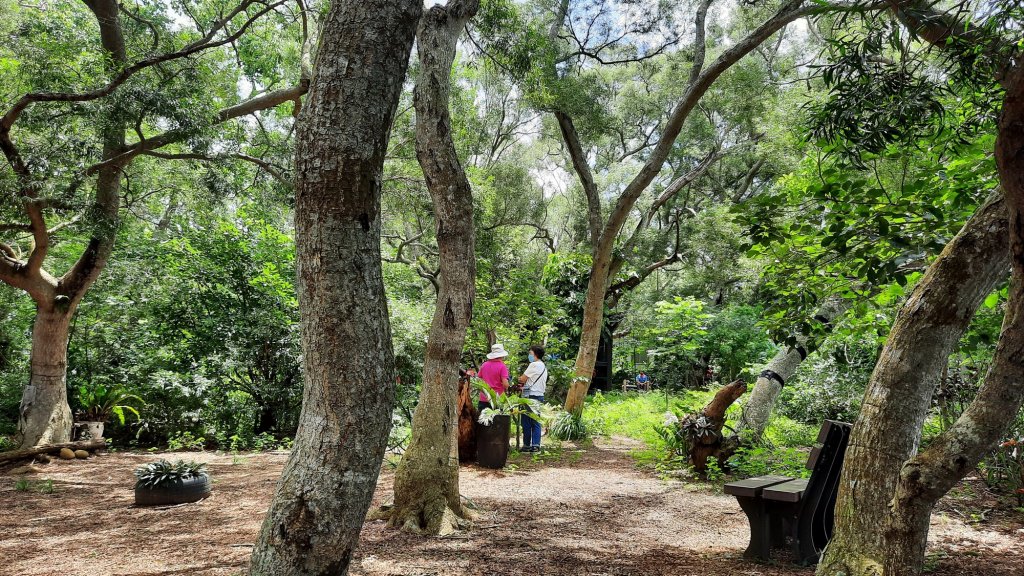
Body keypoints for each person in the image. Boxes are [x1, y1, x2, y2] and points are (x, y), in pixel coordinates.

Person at [517, 345, 548, 452]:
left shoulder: (533, 365)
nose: (529, 355)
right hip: (540, 395)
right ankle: (536, 445)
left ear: (536, 355)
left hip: (530, 395)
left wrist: (520, 379)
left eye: (530, 353)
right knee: (536, 420)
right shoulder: (543, 366)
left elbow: (522, 379)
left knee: (526, 421)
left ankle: (526, 445)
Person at [477, 343, 510, 411]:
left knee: (483, 417)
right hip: (497, 399)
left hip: (484, 398)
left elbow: (479, 380)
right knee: (497, 417)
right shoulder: (502, 366)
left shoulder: (484, 365)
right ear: (502, 355)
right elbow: (505, 384)